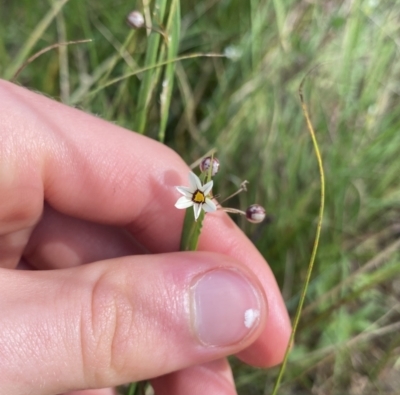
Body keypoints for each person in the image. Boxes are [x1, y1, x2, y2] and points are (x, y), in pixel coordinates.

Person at [0, 79, 291, 395]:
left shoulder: (198, 200)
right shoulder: (192, 198)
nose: (198, 198)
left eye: (200, 197)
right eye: (197, 196)